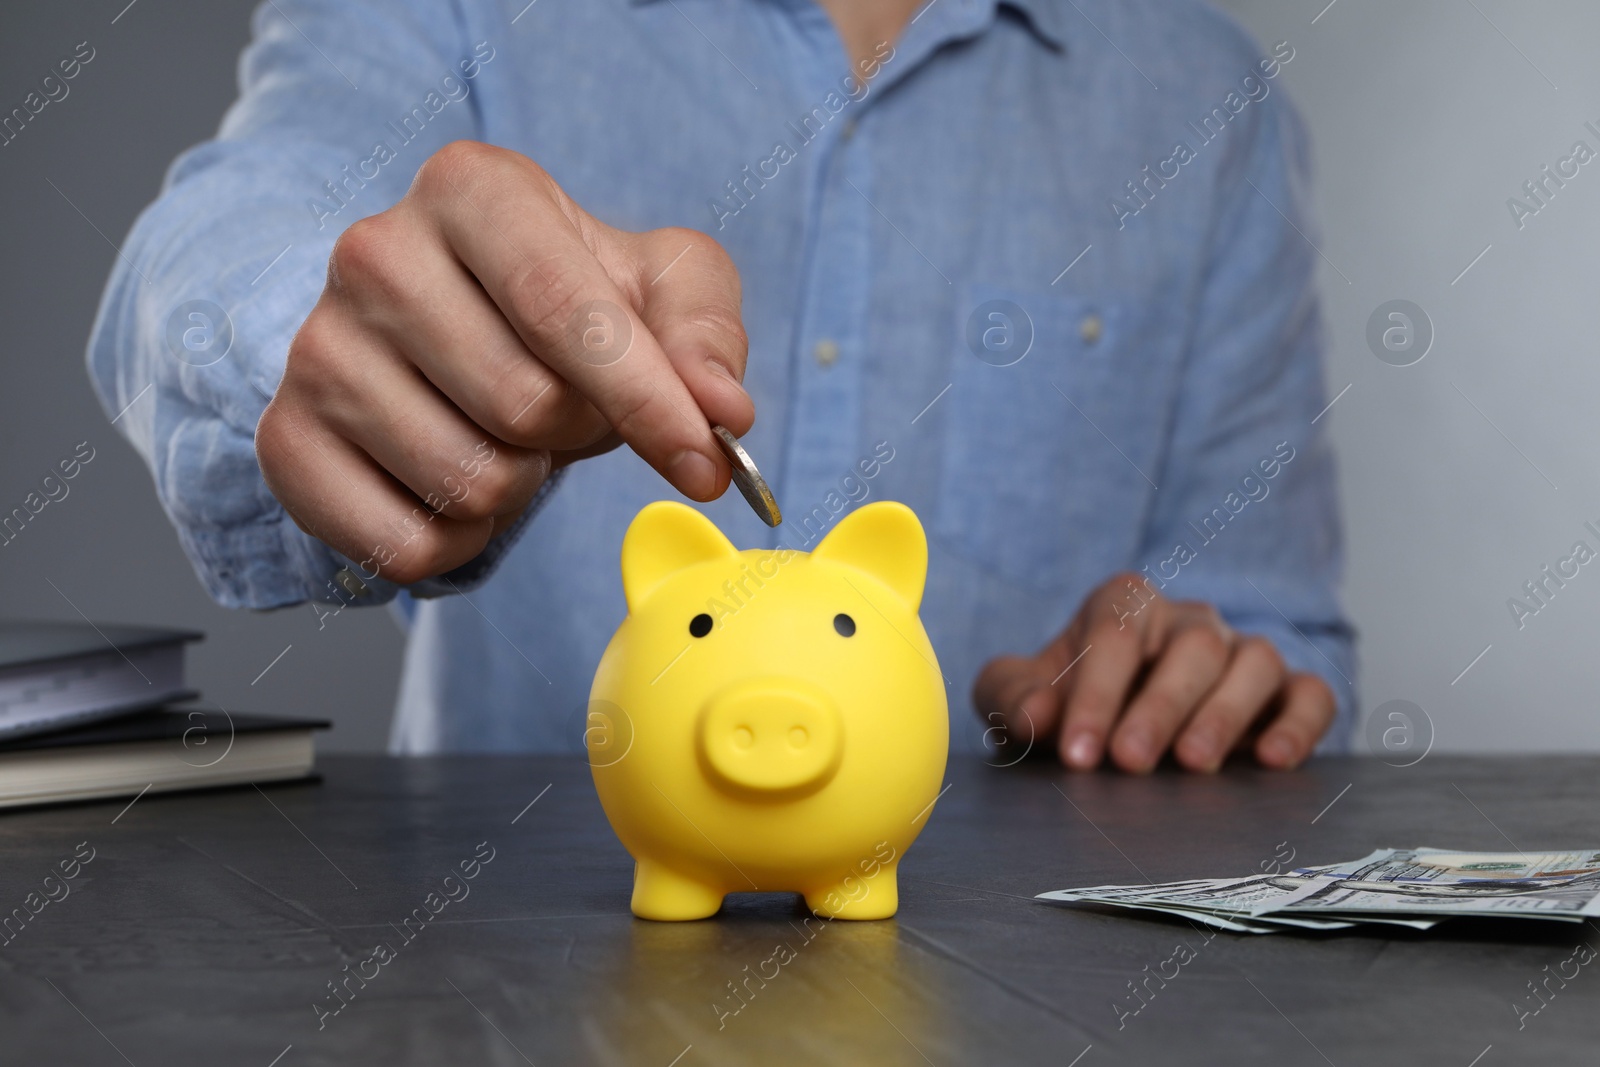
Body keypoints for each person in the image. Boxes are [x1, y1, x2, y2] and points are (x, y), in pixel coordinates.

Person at [88, 0, 1354, 770]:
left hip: (1018, 992)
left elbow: (1285, 641)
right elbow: (217, 236)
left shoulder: (1205, 101)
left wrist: (1197, 687)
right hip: (503, 978)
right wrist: (317, 324)